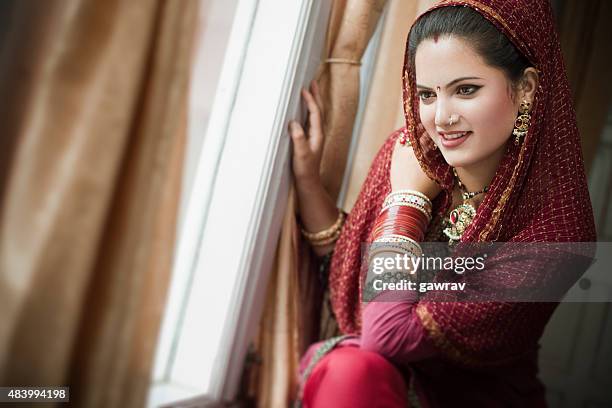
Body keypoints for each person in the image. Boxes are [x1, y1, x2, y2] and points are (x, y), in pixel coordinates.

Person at [287, 1, 597, 407]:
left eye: (466, 90)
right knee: (352, 372)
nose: (441, 118)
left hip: (475, 398)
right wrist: (308, 182)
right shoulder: (413, 154)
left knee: (355, 370)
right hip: (377, 382)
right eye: (427, 94)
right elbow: (353, 263)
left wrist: (408, 200)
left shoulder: (556, 232)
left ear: (526, 88)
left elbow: (387, 335)